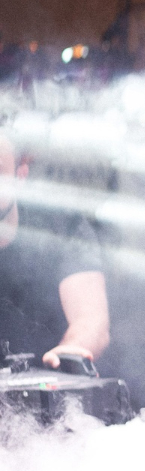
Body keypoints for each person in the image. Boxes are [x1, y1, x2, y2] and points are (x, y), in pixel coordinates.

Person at [0, 133, 110, 369]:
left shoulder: (59, 226)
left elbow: (91, 320)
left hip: (49, 392)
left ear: (20, 176)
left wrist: (73, 349)